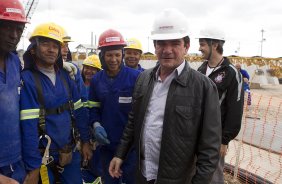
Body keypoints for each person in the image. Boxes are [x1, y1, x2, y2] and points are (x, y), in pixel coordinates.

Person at [109, 8, 222, 184]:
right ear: (154, 47)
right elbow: (133, 122)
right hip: (143, 174)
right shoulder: (144, 78)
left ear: (186, 47)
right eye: (161, 43)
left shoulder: (204, 88)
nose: (167, 50)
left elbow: (210, 149)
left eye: (175, 43)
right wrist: (120, 154)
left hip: (177, 179)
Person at [20, 22, 92, 184]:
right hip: (43, 157)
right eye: (45, 44)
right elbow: (28, 126)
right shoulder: (28, 80)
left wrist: (86, 141)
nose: (51, 49)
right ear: (33, 48)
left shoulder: (67, 77)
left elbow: (79, 112)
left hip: (70, 151)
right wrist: (33, 168)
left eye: (55, 45)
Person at [88, 29, 140, 184]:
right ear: (102, 56)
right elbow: (93, 108)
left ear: (122, 55)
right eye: (109, 55)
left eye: (117, 55)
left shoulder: (136, 77)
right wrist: (95, 125)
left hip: (131, 148)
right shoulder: (96, 80)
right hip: (107, 145)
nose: (113, 59)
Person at [197, 27, 244, 184]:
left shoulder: (231, 73)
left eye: (202, 44)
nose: (199, 48)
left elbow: (235, 109)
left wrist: (225, 140)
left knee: (213, 176)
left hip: (215, 138)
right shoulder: (200, 70)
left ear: (215, 45)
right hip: (194, 133)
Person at [0, 0, 28, 183]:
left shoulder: (14, 62)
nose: (14, 35)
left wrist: (60, 65)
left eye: (19, 30)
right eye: (8, 28)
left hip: (16, 161)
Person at [80, 54, 103, 183]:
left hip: (95, 130)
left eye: (93, 69)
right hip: (81, 130)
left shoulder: (100, 87)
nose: (89, 71)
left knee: (96, 161)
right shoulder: (78, 85)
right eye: (87, 67)